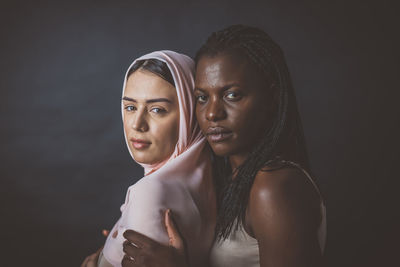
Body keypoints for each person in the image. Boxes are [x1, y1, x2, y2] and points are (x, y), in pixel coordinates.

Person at [121, 25, 327, 267]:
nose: (212, 113)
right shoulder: (229, 177)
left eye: (232, 95)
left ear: (272, 98)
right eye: (202, 97)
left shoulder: (273, 186)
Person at [81, 51, 216, 267]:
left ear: (189, 114)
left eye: (157, 110)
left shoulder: (151, 191)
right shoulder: (215, 180)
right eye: (130, 107)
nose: (137, 124)